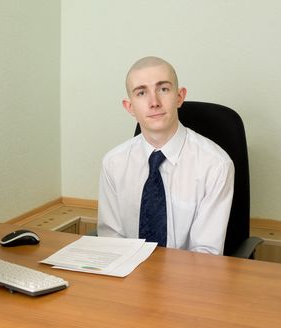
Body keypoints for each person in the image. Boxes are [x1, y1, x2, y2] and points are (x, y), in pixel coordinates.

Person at [97, 56, 234, 255]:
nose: (154, 102)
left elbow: (205, 256)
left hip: (188, 280)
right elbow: (111, 241)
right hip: (127, 278)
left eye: (163, 89)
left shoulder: (215, 165)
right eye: (141, 92)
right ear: (129, 107)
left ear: (179, 97)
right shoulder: (113, 163)